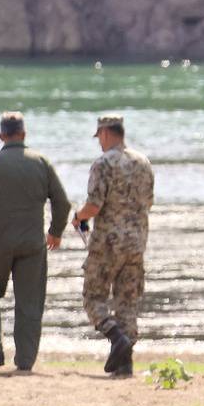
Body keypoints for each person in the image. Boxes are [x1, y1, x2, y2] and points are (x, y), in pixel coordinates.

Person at [0, 111, 71, 373]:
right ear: (24, 134)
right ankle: (24, 361)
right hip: (33, 244)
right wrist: (55, 231)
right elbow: (62, 202)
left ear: (1, 136)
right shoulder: (41, 162)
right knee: (29, 302)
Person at [74, 113, 155, 378]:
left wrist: (79, 217)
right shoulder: (143, 162)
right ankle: (125, 363)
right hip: (137, 242)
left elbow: (94, 205)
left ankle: (116, 336)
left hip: (108, 243)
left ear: (106, 134)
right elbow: (148, 202)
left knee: (92, 296)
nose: (99, 142)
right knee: (127, 301)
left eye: (99, 137)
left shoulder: (103, 164)